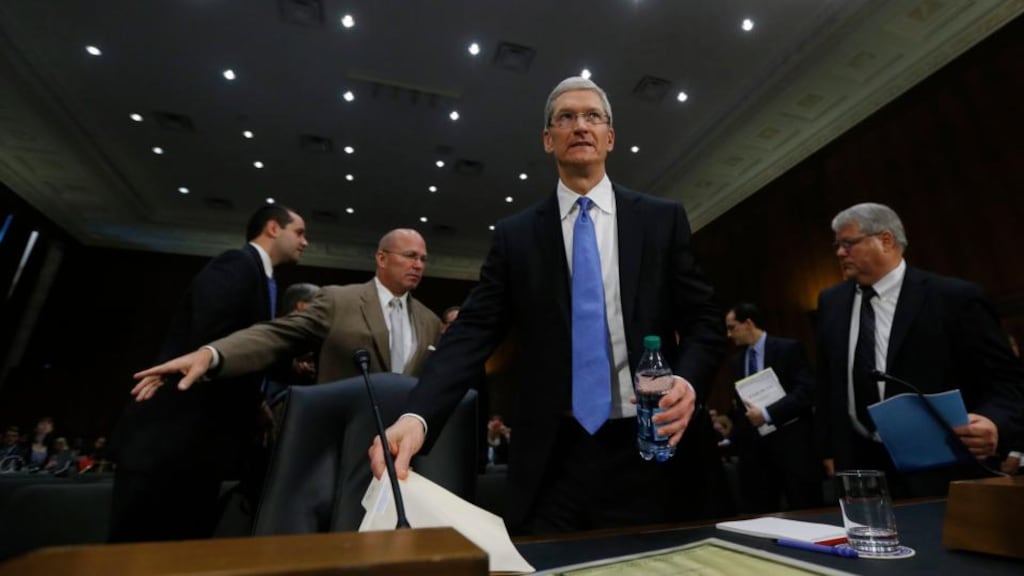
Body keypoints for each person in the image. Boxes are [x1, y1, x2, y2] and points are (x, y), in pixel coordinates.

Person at [369, 76, 730, 535]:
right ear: (547, 139)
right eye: (566, 118)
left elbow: (704, 321)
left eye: (592, 117)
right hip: (555, 456)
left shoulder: (661, 220)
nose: (580, 126)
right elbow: (473, 331)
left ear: (610, 137)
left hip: (651, 446)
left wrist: (687, 381)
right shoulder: (516, 236)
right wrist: (416, 416)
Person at [108, 204, 308, 542]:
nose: (305, 242)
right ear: (273, 228)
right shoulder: (237, 264)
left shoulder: (263, 279)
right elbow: (213, 340)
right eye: (299, 232)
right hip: (170, 444)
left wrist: (256, 397)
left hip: (200, 448)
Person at [815, 203, 1024, 498]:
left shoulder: (954, 298)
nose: (839, 253)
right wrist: (828, 448)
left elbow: (1008, 382)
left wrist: (993, 421)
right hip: (860, 468)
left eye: (848, 243)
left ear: (885, 240)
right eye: (837, 245)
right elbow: (826, 381)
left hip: (942, 468)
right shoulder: (831, 303)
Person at [130, 228, 441, 396]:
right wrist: (212, 354)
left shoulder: (429, 321)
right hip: (343, 444)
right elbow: (276, 335)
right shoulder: (338, 300)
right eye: (410, 256)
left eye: (423, 259)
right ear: (382, 258)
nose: (418, 265)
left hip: (406, 453)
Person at [725, 303, 822, 512]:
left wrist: (768, 414)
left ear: (749, 323)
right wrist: (730, 439)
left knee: (805, 509)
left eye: (732, 327)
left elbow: (806, 391)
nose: (729, 334)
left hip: (792, 447)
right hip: (757, 454)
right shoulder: (737, 361)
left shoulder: (788, 348)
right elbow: (742, 407)